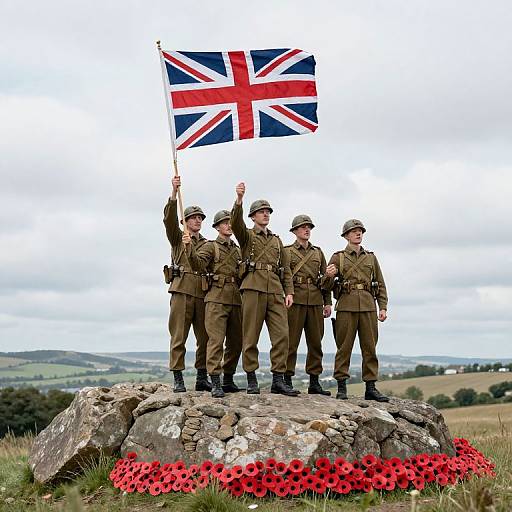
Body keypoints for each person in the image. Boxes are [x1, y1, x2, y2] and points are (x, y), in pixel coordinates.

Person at [231, 182, 299, 396]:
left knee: (282, 335)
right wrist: (239, 200)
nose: (265, 214)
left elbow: (285, 268)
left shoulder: (277, 241)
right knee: (250, 335)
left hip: (275, 290)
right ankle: (251, 378)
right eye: (261, 212)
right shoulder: (247, 236)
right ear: (253, 217)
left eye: (268, 212)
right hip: (252, 288)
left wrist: (289, 292)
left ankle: (278, 379)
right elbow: (235, 223)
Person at [323, 219, 389, 402]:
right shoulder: (338, 257)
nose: (358, 233)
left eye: (360, 231)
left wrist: (382, 306)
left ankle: (371, 387)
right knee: (344, 348)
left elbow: (381, 284)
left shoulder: (370, 257)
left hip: (368, 306)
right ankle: (342, 386)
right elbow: (325, 286)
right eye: (354, 231)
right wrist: (329, 276)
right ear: (346, 236)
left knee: (370, 348)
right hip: (346, 306)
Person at [182, 210, 243, 398]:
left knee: (236, 341)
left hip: (236, 299)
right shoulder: (210, 247)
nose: (229, 225)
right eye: (224, 223)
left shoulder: (237, 249)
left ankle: (228, 378)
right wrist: (189, 248)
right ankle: (215, 379)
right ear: (217, 227)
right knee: (215, 341)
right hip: (215, 298)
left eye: (230, 222)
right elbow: (198, 265)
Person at [163, 175, 210, 393]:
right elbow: (168, 221)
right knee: (179, 336)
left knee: (205, 337)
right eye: (193, 218)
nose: (197, 221)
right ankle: (178, 377)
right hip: (181, 291)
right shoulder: (177, 237)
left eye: (200, 218)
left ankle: (202, 375)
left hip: (202, 293)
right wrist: (173, 193)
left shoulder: (207, 244)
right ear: (185, 221)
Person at [284, 215, 332, 396]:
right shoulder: (287, 251)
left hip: (315, 302)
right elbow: (285, 277)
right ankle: (286, 379)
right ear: (295, 231)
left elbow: (325, 281)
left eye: (309, 227)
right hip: (294, 301)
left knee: (315, 343)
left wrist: (327, 302)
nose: (307, 230)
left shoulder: (318, 253)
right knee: (291, 342)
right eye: (303, 227)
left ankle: (314, 381)